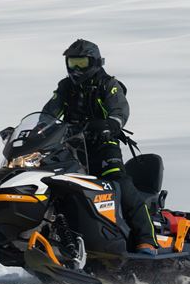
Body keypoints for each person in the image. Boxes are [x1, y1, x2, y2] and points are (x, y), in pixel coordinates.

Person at [41, 39, 158, 255]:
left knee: (119, 183)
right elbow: (49, 112)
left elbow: (120, 109)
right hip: (71, 147)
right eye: (72, 62)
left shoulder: (108, 84)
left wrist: (111, 124)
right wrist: (36, 129)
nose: (76, 69)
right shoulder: (66, 87)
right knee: (51, 182)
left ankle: (146, 239)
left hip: (103, 144)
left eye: (81, 63)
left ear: (94, 62)